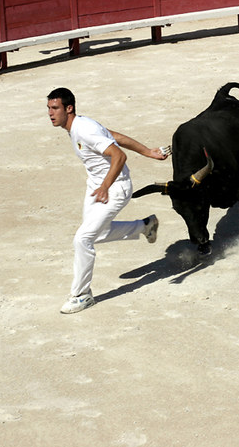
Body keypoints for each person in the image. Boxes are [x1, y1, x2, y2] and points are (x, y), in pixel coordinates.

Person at [47, 87, 169, 314]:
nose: (50, 113)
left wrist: (105, 186)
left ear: (69, 108)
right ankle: (145, 226)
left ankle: (82, 295)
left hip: (114, 188)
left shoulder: (84, 129)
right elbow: (115, 137)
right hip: (96, 186)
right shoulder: (78, 126)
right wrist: (148, 151)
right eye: (49, 109)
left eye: (55, 108)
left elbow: (119, 155)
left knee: (82, 239)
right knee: (97, 233)